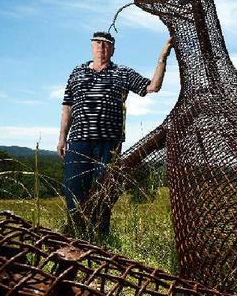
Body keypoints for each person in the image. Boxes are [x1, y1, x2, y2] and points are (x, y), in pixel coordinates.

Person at [57, 31, 173, 234]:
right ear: (91, 47)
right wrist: (62, 138)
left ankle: (101, 239)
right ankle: (75, 237)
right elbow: (68, 105)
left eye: (106, 45)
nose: (101, 48)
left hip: (109, 144)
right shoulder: (77, 72)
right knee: (74, 192)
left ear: (112, 49)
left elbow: (153, 87)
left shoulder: (122, 73)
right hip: (78, 141)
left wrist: (163, 57)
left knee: (104, 193)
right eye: (97, 44)